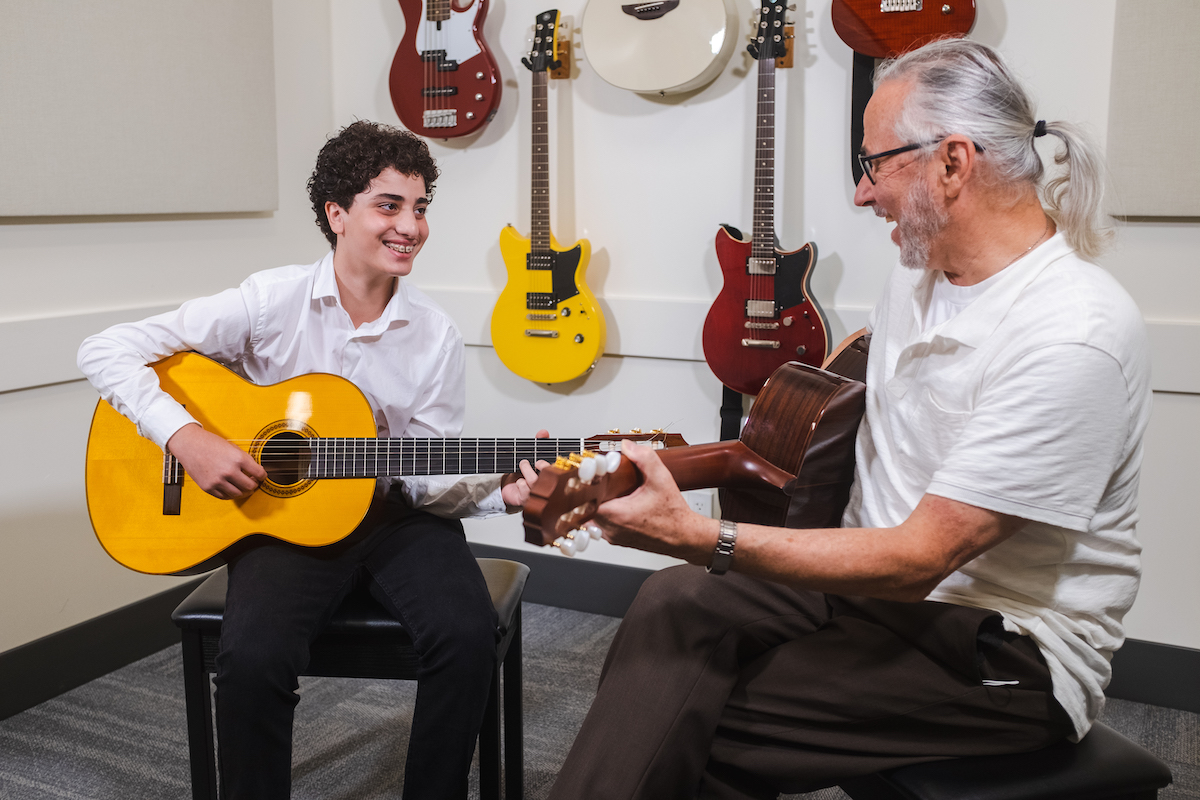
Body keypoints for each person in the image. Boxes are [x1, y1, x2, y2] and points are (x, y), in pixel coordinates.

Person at [547, 38, 1152, 800]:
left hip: (999, 642)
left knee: (684, 712)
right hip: (872, 593)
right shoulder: (919, 277)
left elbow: (921, 557)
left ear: (953, 163)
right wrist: (653, 475)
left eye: (874, 164)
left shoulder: (1073, 334)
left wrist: (703, 534)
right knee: (672, 602)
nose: (862, 196)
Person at [78, 121, 541, 800]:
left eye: (421, 208)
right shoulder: (271, 300)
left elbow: (428, 476)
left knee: (467, 635)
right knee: (253, 658)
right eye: (389, 205)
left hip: (396, 517)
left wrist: (505, 492)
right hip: (278, 517)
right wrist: (185, 435)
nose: (411, 225)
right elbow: (105, 349)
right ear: (337, 214)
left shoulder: (435, 334)